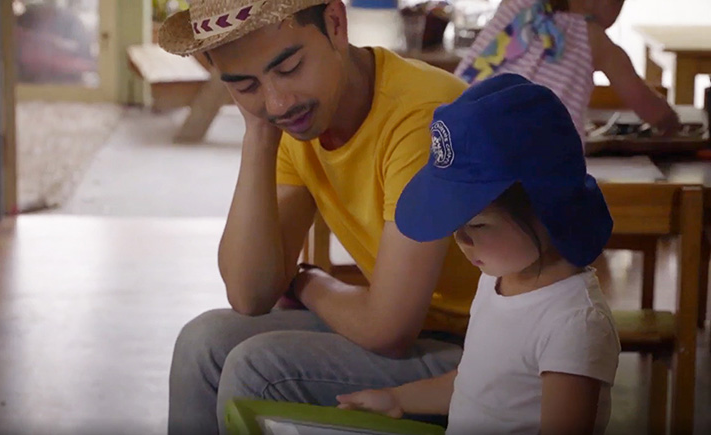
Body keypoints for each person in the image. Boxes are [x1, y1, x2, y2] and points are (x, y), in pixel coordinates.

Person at [158, 0, 481, 432]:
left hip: (490, 353)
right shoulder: (295, 119)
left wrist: (308, 281)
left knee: (258, 368)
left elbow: (388, 329)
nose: (277, 102)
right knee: (203, 342)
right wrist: (258, 133)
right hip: (424, 336)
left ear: (334, 23)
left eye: (289, 67)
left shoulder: (422, 117)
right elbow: (249, 293)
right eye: (245, 85)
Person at [337, 74, 622, 434]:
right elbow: (475, 385)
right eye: (457, 225)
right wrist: (397, 399)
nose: (461, 240)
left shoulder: (574, 323)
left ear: (545, 208)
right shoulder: (498, 279)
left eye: (479, 225)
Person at [454, 0, 680, 141]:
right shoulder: (594, 39)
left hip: (464, 136)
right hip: (541, 162)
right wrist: (670, 121)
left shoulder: (512, 6)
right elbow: (648, 107)